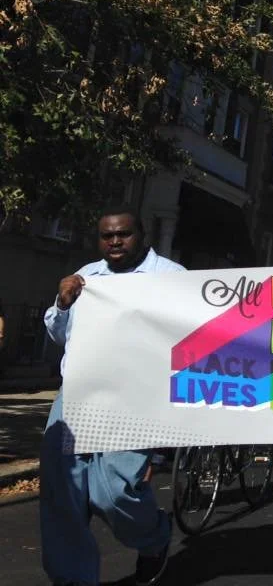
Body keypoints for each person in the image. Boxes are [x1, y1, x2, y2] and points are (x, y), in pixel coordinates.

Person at [40, 205, 182, 586]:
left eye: (123, 234)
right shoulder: (87, 277)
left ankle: (154, 539)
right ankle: (73, 578)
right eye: (107, 236)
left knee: (114, 491)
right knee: (63, 490)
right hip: (78, 394)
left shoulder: (171, 277)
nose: (115, 241)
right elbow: (60, 335)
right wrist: (62, 305)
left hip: (136, 397)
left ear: (142, 235)